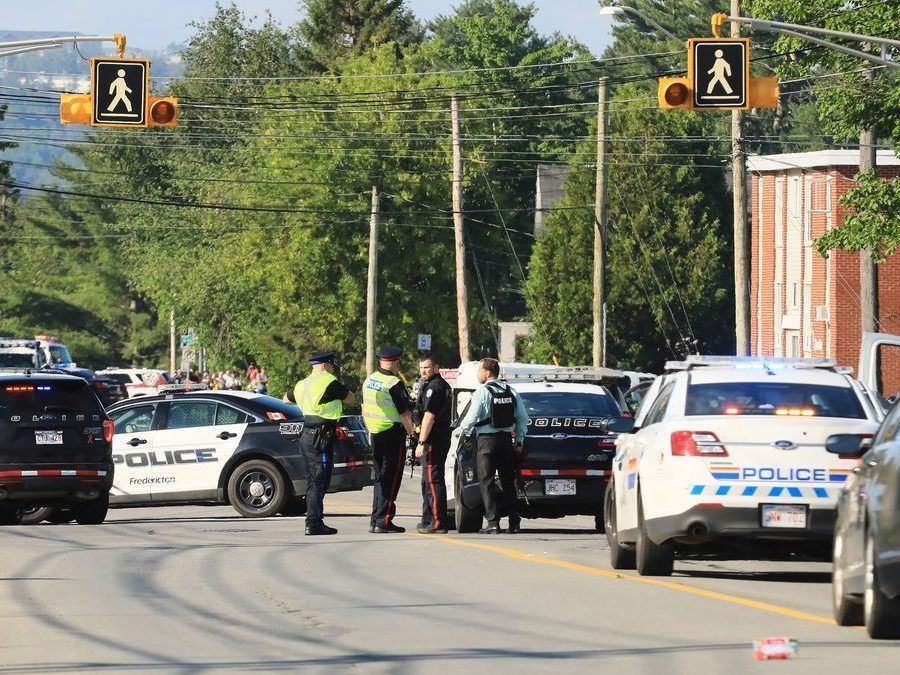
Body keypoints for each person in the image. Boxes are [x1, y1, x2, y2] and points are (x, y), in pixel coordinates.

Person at [457, 357, 529, 534]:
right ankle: (514, 522)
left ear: (488, 372)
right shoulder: (510, 390)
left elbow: (471, 418)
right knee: (508, 481)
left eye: (480, 371)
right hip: (506, 441)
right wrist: (519, 440)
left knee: (486, 481)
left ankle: (493, 522)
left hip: (486, 442)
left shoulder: (482, 392)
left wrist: (462, 430)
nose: (478, 374)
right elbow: (522, 418)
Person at [294, 351, 355, 535]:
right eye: (330, 365)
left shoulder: (302, 384)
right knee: (318, 482)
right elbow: (351, 399)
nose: (332, 369)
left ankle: (315, 520)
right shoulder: (329, 382)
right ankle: (313, 523)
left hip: (307, 435)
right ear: (324, 365)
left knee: (315, 480)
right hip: (320, 437)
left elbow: (286, 399)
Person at [362, 345, 416, 533]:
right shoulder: (393, 383)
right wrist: (413, 435)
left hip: (375, 434)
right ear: (396, 361)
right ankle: (383, 521)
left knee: (380, 478)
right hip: (392, 434)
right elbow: (405, 414)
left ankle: (376, 518)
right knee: (391, 478)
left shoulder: (370, 380)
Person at [413, 353, 453, 534]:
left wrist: (421, 442)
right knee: (428, 481)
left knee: (433, 479)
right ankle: (428, 518)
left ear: (436, 368)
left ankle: (437, 521)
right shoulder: (434, 385)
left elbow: (429, 416)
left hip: (434, 439)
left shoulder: (435, 387)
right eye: (421, 368)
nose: (423, 371)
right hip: (438, 437)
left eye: (426, 367)